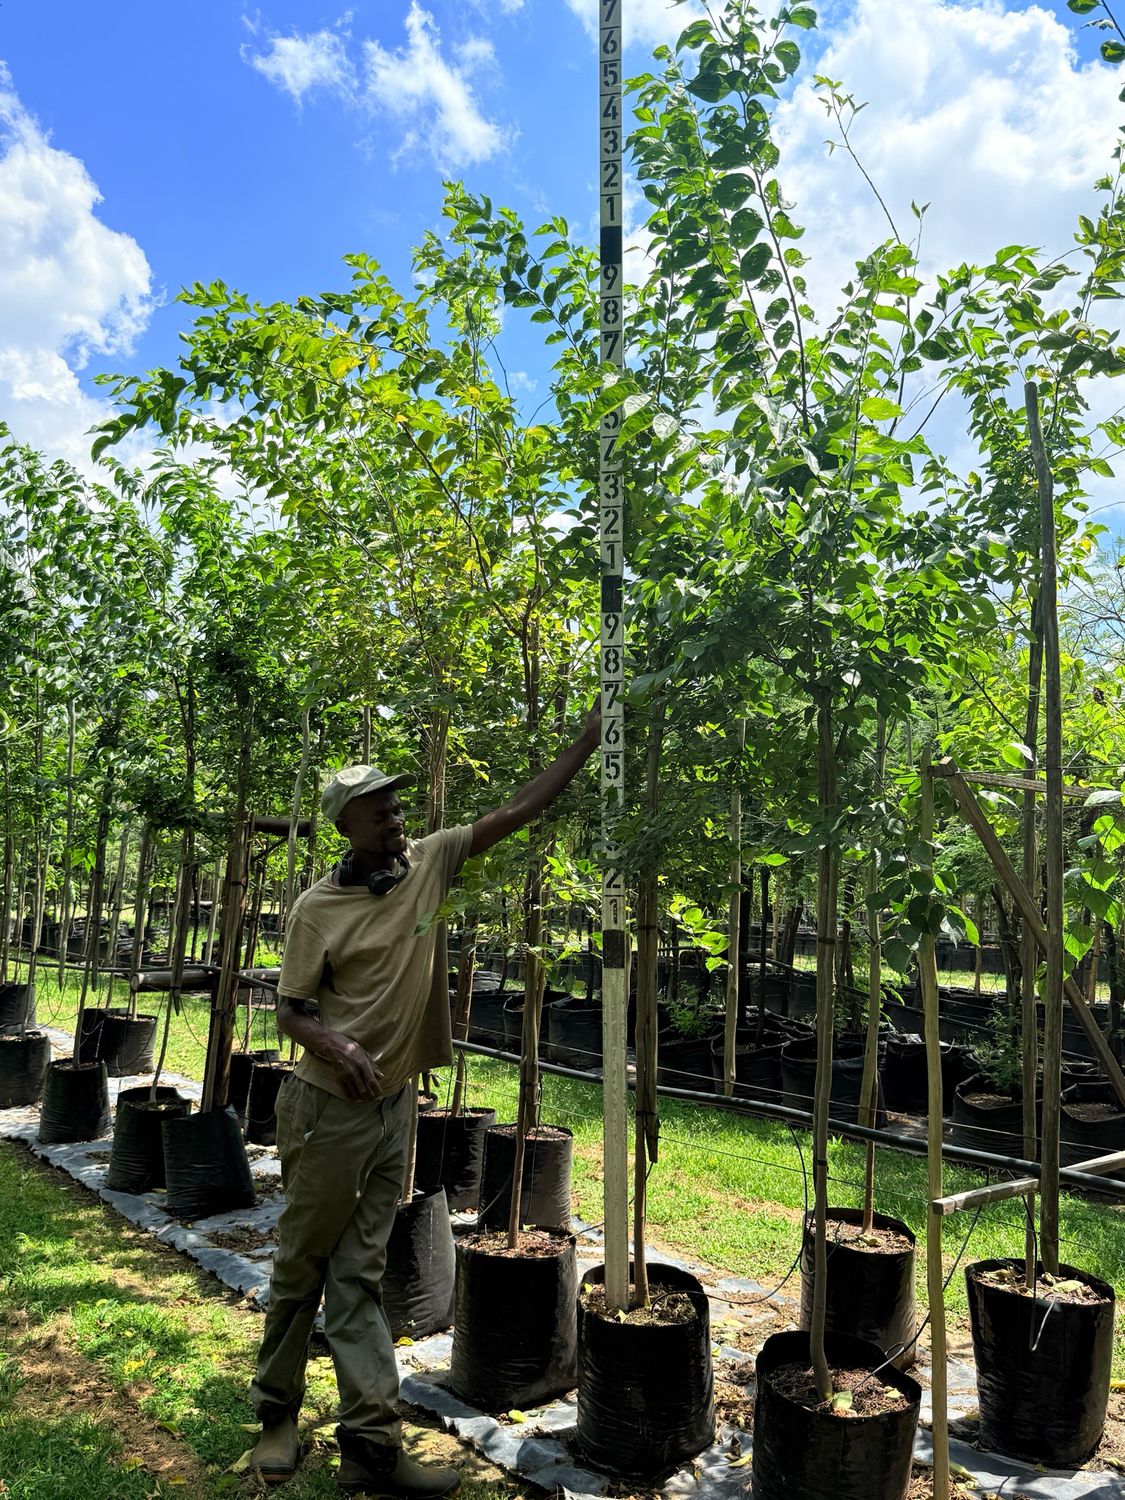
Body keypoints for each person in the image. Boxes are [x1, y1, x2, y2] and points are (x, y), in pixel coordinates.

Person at [250, 707, 599, 1496]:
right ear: (346, 826)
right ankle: (276, 1413)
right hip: (326, 1111)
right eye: (381, 813)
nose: (398, 821)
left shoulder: (430, 863)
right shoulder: (316, 910)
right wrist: (337, 1046)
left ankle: (370, 1447)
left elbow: (517, 810)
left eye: (400, 808)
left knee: (361, 1274)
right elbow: (291, 1009)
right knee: (304, 1266)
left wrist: (584, 741)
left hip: (392, 1109)